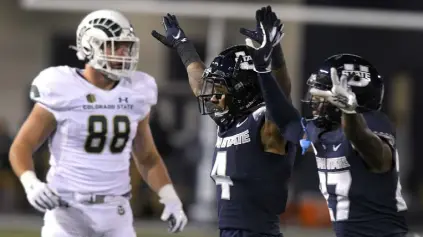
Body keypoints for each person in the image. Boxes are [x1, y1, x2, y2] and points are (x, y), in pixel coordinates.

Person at [9, 9, 187, 237]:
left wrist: (170, 198)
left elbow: (147, 157)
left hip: (116, 210)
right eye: (115, 45)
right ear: (90, 46)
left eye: (126, 45)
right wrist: (30, 182)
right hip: (67, 210)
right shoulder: (60, 85)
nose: (124, 52)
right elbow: (22, 145)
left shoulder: (137, 91)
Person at [152, 6, 302, 237]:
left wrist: (273, 55)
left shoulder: (264, 124)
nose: (211, 96)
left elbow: (281, 100)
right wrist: (183, 46)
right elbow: (200, 84)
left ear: (243, 91)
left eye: (220, 89)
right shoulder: (230, 121)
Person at [301, 54, 409, 236]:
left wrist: (349, 113)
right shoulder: (319, 129)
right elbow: (284, 121)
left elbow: (377, 155)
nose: (315, 100)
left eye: (323, 93)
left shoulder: (373, 122)